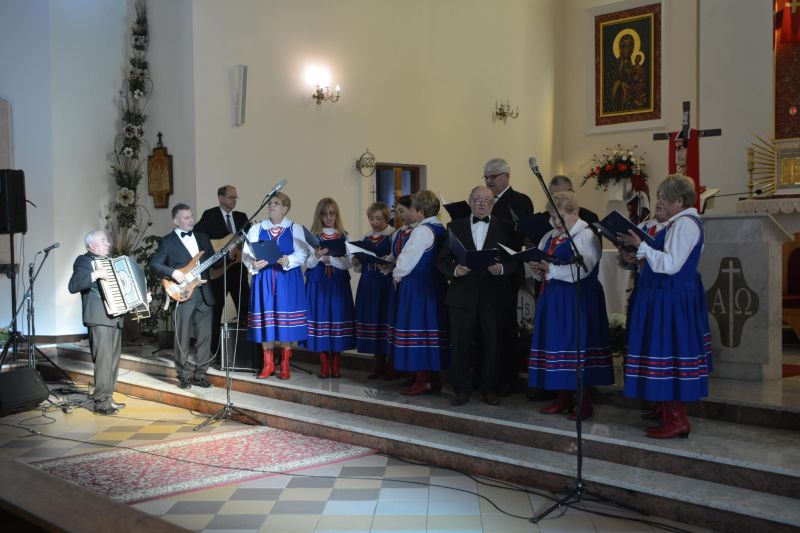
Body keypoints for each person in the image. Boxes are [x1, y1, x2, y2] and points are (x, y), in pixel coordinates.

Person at [617, 175, 712, 439]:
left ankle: (677, 419)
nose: (658, 202)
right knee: (658, 351)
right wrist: (635, 255)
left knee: (669, 354)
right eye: (658, 196)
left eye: (663, 198)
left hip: (670, 298)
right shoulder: (671, 224)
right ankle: (664, 408)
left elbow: (670, 265)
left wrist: (642, 247)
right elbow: (657, 258)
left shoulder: (686, 225)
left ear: (679, 201)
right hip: (659, 296)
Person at [527, 191, 614, 420]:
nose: (554, 222)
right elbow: (543, 263)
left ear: (575, 212)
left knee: (575, 346)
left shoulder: (586, 236)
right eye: (552, 217)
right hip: (553, 298)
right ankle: (562, 398)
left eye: (560, 217)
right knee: (556, 345)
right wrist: (537, 269)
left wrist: (551, 269)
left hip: (577, 299)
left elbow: (583, 269)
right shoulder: (550, 236)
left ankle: (583, 403)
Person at [437, 186, 517, 406]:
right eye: (477, 199)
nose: (482, 203)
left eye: (486, 200)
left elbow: (515, 261)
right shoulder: (455, 226)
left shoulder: (506, 227)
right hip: (462, 295)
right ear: (470, 201)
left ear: (493, 204)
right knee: (460, 345)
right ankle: (461, 389)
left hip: (493, 296)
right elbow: (442, 260)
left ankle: (489, 389)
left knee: (492, 345)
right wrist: (455, 270)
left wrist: (501, 269)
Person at [151, 204, 219, 390]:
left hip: (204, 293)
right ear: (176, 221)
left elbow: (214, 263)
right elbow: (155, 264)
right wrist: (173, 272)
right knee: (182, 336)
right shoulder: (167, 241)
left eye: (191, 216)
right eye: (186, 218)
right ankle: (183, 375)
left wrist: (229, 254)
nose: (191, 220)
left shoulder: (202, 237)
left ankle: (201, 374)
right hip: (183, 293)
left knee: (205, 336)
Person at [390, 190, 449, 395]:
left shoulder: (422, 231)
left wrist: (396, 274)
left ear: (420, 212)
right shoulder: (441, 228)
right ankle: (432, 378)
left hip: (417, 287)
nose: (411, 212)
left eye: (413, 208)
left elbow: (406, 261)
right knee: (431, 332)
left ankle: (422, 380)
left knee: (418, 330)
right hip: (435, 286)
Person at [244, 191, 308, 380]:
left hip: (286, 278)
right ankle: (268, 364)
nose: (271, 206)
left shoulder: (295, 228)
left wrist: (289, 259)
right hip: (264, 277)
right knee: (267, 321)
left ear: (285, 208)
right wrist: (253, 263)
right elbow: (247, 254)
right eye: (270, 203)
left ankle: (285, 364)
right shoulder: (257, 229)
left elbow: (303, 253)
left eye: (277, 203)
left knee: (285, 322)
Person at [484, 158, 534, 396]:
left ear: (506, 175)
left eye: (492, 177)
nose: (488, 181)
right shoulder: (484, 199)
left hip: (507, 271)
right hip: (484, 273)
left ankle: (507, 378)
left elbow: (522, 232)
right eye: (485, 177)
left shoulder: (519, 200)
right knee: (487, 328)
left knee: (505, 326)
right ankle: (487, 375)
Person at [68, 230, 125, 415]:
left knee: (113, 361)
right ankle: (101, 403)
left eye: (107, 240)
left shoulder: (112, 262)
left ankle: (108, 397)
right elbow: (73, 286)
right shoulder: (84, 261)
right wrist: (95, 274)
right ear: (92, 245)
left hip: (116, 317)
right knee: (103, 361)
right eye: (103, 240)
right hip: (99, 318)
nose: (108, 243)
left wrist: (140, 298)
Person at [194, 185, 251, 364]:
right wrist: (216, 248)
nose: (234, 200)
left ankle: (246, 353)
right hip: (218, 272)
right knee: (216, 310)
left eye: (236, 197)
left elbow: (251, 238)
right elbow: (197, 234)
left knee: (245, 307)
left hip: (238, 269)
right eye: (231, 197)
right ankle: (213, 351)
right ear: (221, 198)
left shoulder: (241, 217)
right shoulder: (210, 215)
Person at [304, 197, 356, 378]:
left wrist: (330, 259)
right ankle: (324, 363)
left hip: (337, 284)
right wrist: (317, 256)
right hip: (318, 284)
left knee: (337, 319)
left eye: (332, 213)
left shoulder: (345, 236)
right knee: (321, 319)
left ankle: (336, 362)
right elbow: (308, 264)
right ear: (319, 215)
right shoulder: (312, 236)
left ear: (336, 214)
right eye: (325, 213)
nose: (328, 217)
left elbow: (349, 264)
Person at [353, 202, 395, 379]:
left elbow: (398, 259)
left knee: (385, 320)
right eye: (371, 218)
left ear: (386, 218)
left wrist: (388, 262)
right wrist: (356, 259)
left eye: (378, 218)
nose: (375, 222)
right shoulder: (366, 237)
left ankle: (392, 366)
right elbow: (359, 264)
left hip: (385, 284)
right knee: (372, 320)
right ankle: (378, 364)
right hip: (368, 283)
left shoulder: (393, 235)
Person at [525, 175, 600, 248]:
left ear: (573, 193)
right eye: (554, 196)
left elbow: (594, 250)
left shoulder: (590, 217)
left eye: (563, 195)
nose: (558, 200)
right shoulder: (541, 220)